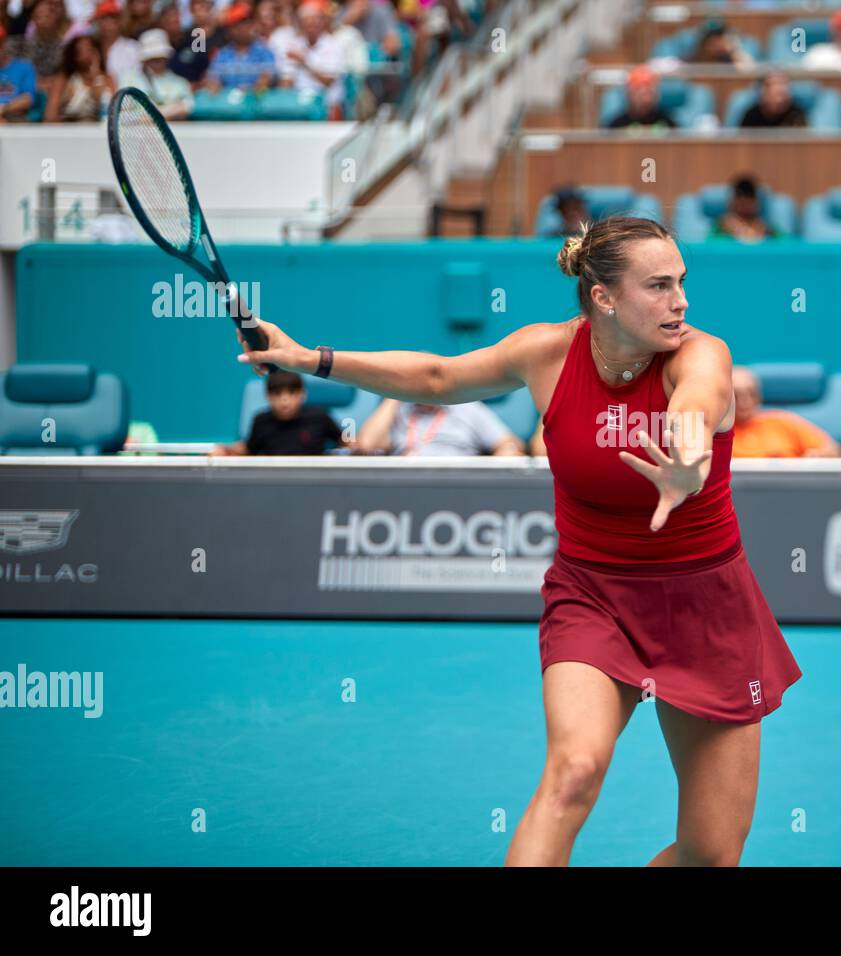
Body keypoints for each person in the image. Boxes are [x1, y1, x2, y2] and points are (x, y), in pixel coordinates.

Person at [230, 215, 803, 866]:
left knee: (710, 855)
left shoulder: (701, 353)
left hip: (707, 606)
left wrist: (687, 455)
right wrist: (311, 358)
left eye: (682, 282)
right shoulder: (547, 354)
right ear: (603, 297)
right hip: (595, 597)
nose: (681, 301)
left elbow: (695, 402)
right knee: (574, 770)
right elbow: (440, 379)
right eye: (659, 285)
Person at [210, 370, 354, 455]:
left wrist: (360, 448)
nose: (284, 400)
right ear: (268, 397)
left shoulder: (320, 416)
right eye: (277, 393)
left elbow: (346, 443)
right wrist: (225, 451)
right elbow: (248, 450)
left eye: (291, 393)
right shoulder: (260, 421)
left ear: (302, 395)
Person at [730, 366, 841, 458]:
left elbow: (836, 451)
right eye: (737, 395)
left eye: (751, 394)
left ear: (759, 396)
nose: (745, 401)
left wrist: (819, 456)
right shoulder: (718, 432)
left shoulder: (783, 422)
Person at [356, 397, 525, 456]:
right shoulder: (399, 410)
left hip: (458, 482)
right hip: (403, 483)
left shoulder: (467, 407)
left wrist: (505, 452)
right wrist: (394, 395)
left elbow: (510, 443)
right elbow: (368, 445)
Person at [269, 0, 344, 116]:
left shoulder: (334, 45)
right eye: (308, 22)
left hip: (327, 105)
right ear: (301, 24)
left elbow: (328, 81)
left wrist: (305, 61)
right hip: (298, 105)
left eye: (316, 21)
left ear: (323, 22)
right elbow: (287, 79)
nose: (312, 25)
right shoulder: (294, 44)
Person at [121, 28, 192, 119]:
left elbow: (187, 107)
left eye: (160, 57)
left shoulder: (179, 82)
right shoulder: (129, 79)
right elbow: (122, 113)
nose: (157, 61)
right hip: (138, 131)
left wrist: (154, 116)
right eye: (152, 58)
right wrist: (141, 118)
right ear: (145, 59)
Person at [205, 2, 275, 91]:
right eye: (238, 24)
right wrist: (213, 84)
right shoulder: (222, 55)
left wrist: (257, 86)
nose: (245, 28)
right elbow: (213, 79)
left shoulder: (264, 51)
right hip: (229, 103)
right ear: (229, 30)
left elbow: (266, 76)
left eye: (248, 23)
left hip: (257, 103)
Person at [45, 32, 114, 121]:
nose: (85, 54)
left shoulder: (107, 79)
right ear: (73, 55)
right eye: (80, 51)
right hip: (68, 128)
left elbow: (110, 109)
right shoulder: (64, 80)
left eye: (89, 49)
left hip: (96, 128)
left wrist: (95, 75)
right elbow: (50, 114)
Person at [710, 174, 783, 241]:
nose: (745, 206)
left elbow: (786, 242)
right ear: (732, 203)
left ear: (756, 203)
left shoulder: (765, 228)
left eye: (749, 201)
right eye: (741, 202)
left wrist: (766, 233)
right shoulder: (721, 226)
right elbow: (709, 245)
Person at [605, 64, 676, 131]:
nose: (646, 97)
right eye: (639, 89)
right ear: (629, 93)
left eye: (650, 90)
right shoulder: (616, 127)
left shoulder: (668, 124)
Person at [93, 0, 141, 84]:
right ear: (98, 22)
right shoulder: (91, 47)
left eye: (112, 18)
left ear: (120, 21)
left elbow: (137, 79)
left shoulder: (132, 48)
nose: (108, 24)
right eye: (104, 18)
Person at [738, 71, 806, 128]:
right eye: (777, 94)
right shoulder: (751, 116)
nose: (780, 101)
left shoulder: (797, 115)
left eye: (783, 94)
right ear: (763, 92)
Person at [0, 24, 38, 121]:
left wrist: (3, 109)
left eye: (0, 43)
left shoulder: (24, 67)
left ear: (5, 43)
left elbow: (28, 99)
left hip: (15, 117)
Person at [688, 19, 754, 71]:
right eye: (711, 39)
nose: (716, 42)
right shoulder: (695, 55)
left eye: (719, 36)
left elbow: (749, 70)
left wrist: (733, 51)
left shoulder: (730, 55)